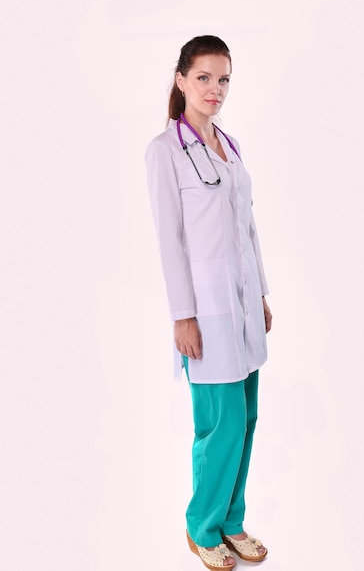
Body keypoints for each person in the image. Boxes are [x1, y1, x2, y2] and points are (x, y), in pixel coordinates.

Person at [145, 35, 272, 570]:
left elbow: (247, 225)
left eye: (223, 79)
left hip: (244, 308)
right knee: (217, 426)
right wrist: (183, 316)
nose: (215, 89)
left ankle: (232, 521)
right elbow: (169, 239)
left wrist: (262, 291)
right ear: (181, 80)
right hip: (208, 313)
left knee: (246, 418)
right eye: (204, 78)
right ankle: (202, 527)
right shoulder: (165, 150)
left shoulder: (231, 145)